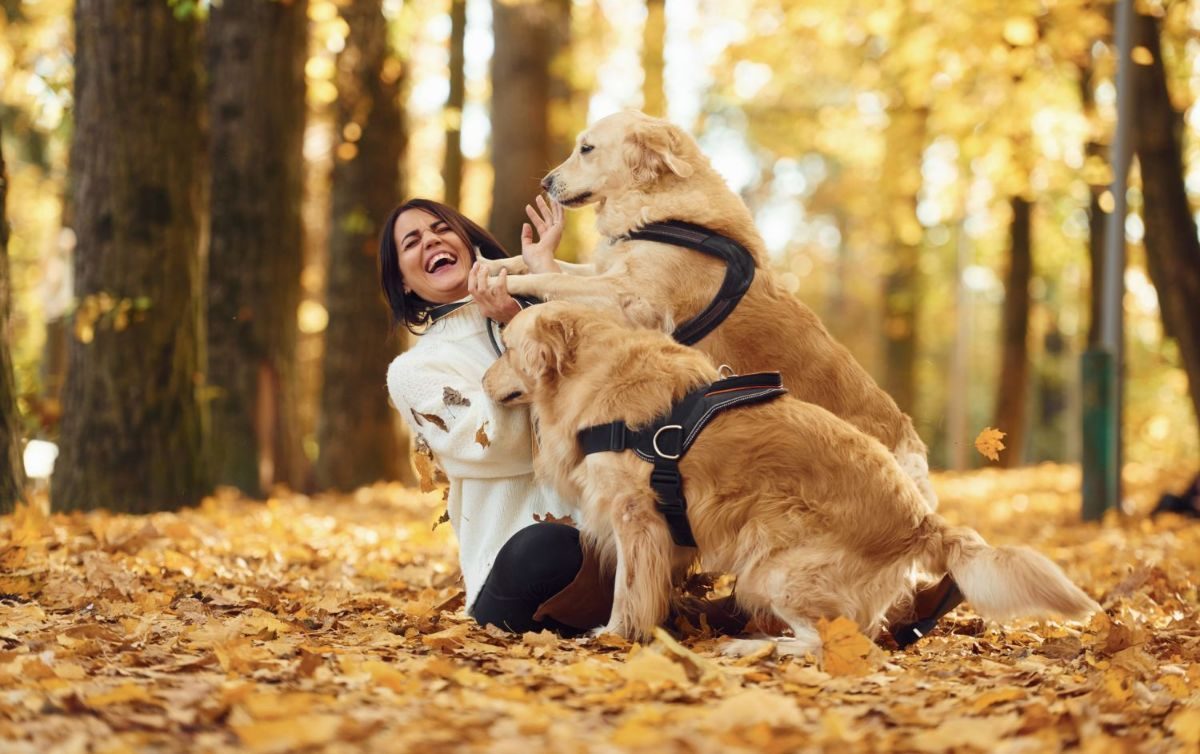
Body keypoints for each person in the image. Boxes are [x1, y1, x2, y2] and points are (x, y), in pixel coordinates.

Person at [379, 197, 613, 635]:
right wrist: (518, 332)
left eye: (441, 229)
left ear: (468, 244)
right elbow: (498, 448)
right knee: (545, 547)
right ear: (404, 283)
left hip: (612, 528)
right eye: (412, 241)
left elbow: (613, 370)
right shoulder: (415, 370)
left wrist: (543, 274)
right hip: (523, 565)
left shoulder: (535, 304)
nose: (431, 240)